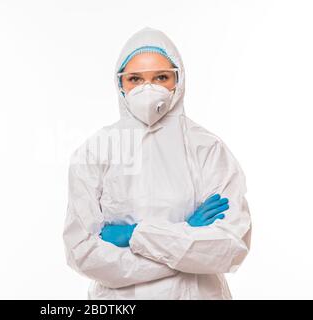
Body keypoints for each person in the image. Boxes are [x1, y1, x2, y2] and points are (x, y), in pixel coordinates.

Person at [62, 26, 252, 299]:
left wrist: (136, 235)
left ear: (179, 80)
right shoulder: (95, 152)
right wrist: (186, 239)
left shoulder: (208, 149)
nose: (148, 89)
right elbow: (82, 253)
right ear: (120, 84)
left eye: (161, 77)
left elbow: (229, 248)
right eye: (135, 79)